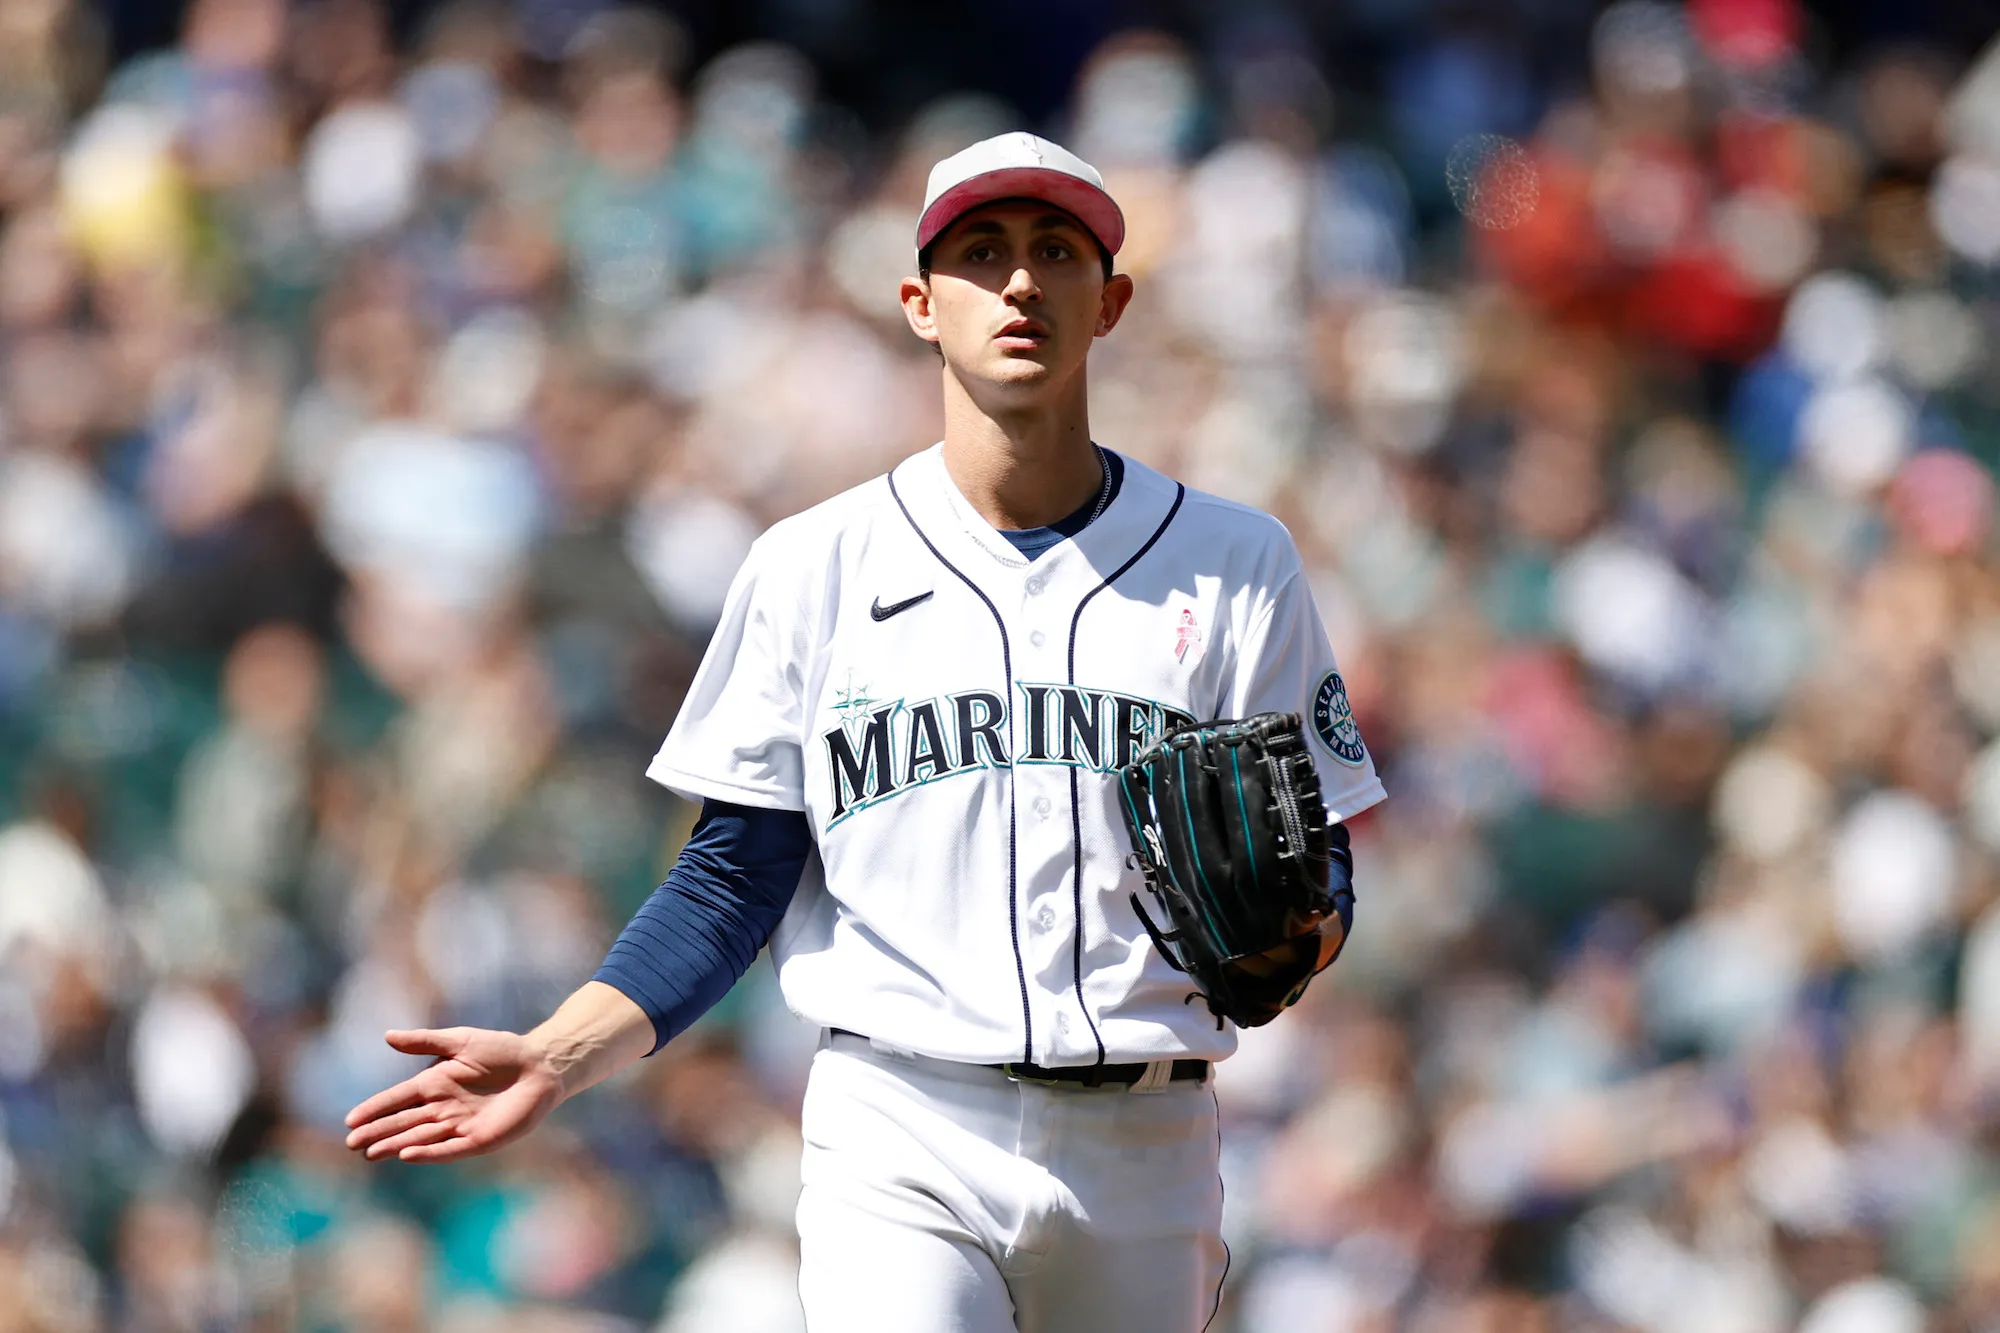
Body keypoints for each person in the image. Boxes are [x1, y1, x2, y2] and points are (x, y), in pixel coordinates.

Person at [343, 132, 1386, 1332]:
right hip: (900, 1126)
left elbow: (1320, 867)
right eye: (979, 253)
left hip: (1145, 1137)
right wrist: (560, 1050)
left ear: (1110, 303)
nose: (1017, 284)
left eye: (1055, 252)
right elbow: (732, 876)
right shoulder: (813, 566)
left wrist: (1302, 940)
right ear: (917, 305)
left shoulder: (1236, 561)